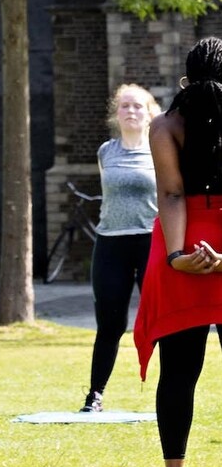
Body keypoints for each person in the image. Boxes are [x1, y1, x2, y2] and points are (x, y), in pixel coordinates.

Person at [134, 37, 222, 467]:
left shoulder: (164, 125)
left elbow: (170, 195)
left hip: (179, 240)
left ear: (186, 75)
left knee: (179, 373)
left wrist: (177, 257)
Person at [79, 83, 160, 414]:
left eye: (138, 106)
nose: (131, 111)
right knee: (110, 324)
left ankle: (169, 393)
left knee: (161, 321)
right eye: (125, 106)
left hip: (151, 241)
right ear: (116, 112)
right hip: (111, 242)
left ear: (149, 113)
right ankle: (95, 395)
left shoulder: (160, 149)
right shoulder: (105, 152)